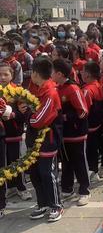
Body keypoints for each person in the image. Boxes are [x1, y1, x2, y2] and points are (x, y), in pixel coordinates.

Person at [21, 58, 64, 222]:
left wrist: (27, 115)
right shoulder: (36, 87)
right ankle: (43, 203)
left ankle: (56, 205)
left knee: (47, 173)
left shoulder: (50, 92)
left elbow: (39, 120)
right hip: (34, 138)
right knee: (34, 172)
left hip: (47, 139)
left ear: (36, 74)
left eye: (32, 72)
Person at [52, 59, 91, 206]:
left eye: (52, 72)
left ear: (60, 74)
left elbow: (83, 111)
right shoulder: (56, 87)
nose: (50, 75)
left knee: (79, 161)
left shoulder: (73, 89)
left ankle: (84, 190)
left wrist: (65, 117)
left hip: (76, 132)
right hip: (63, 133)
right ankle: (67, 189)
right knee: (66, 162)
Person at [0, 63, 31, 202]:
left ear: (12, 75)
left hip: (14, 132)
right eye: (0, 74)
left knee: (16, 160)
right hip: (1, 134)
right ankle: (9, 187)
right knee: (3, 162)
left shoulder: (18, 91)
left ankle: (21, 187)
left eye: (5, 74)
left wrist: (12, 115)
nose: (2, 77)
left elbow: (25, 114)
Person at [82, 62, 103, 182]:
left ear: (88, 74)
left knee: (89, 150)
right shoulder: (98, 85)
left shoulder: (87, 90)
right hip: (98, 124)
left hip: (89, 125)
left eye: (83, 70)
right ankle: (94, 170)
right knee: (94, 149)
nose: (81, 73)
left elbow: (84, 110)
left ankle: (91, 171)